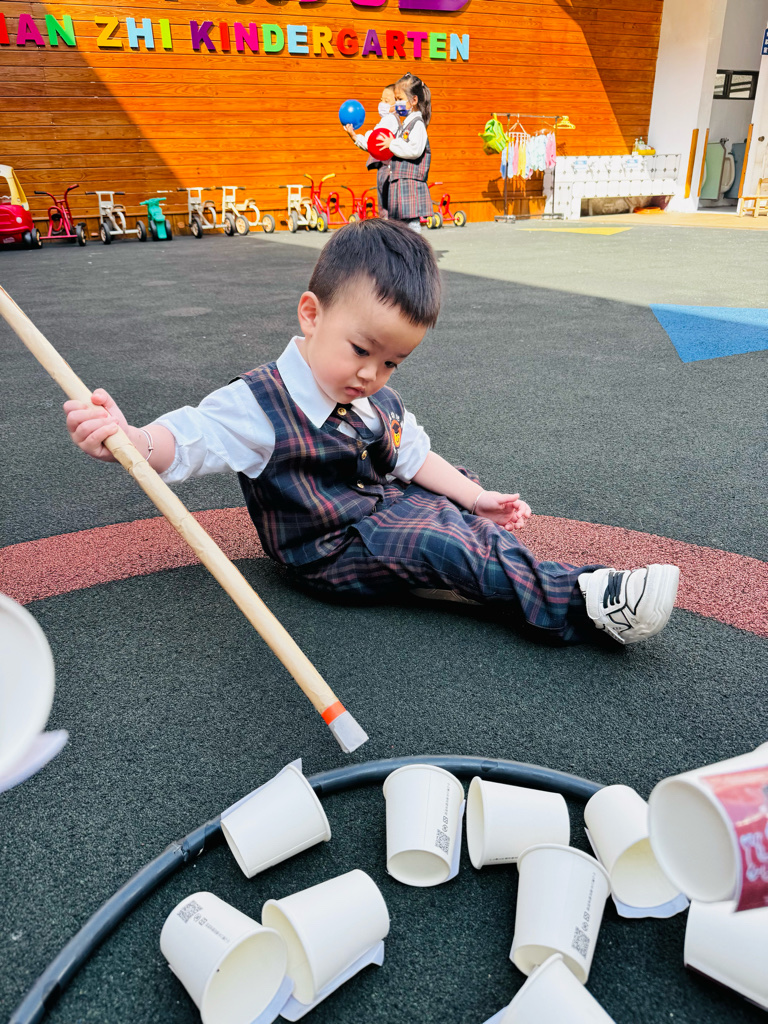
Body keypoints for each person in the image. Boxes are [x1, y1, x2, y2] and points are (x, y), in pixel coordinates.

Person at [63, 220, 680, 647]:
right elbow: (193, 438)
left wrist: (474, 497)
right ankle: (585, 600)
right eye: (361, 350)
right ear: (312, 314)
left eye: (391, 363)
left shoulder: (371, 395)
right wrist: (135, 441)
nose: (371, 375)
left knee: (449, 502)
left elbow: (412, 454)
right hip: (327, 550)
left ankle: (498, 550)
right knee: (440, 542)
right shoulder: (258, 404)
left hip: (379, 505)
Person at [377, 72, 433, 233]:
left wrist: (392, 143)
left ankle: (416, 249)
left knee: (411, 228)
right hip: (400, 187)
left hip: (410, 187)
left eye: (400, 99)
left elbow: (414, 150)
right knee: (400, 229)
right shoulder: (405, 125)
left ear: (414, 100)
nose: (397, 103)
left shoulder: (417, 124)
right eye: (396, 99)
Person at [343, 84, 399, 220]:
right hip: (386, 169)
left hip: (388, 171)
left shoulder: (390, 119)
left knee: (387, 214)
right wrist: (355, 137)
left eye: (386, 101)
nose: (382, 104)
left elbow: (372, 141)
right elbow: (372, 145)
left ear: (397, 103)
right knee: (387, 212)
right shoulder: (389, 120)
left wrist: (358, 136)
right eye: (381, 100)